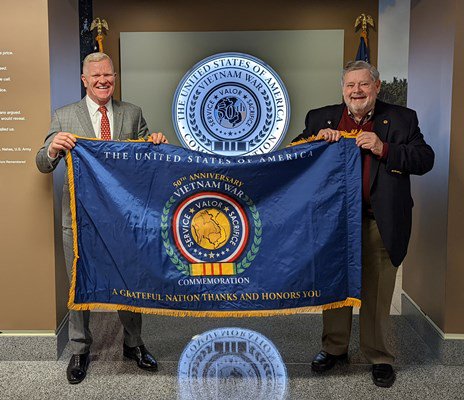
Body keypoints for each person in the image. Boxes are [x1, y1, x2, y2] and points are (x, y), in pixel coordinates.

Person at [292, 60, 434, 388]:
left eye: (363, 85)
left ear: (377, 86)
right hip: (334, 222)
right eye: (350, 85)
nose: (356, 91)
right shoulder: (320, 117)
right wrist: (315, 142)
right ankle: (334, 348)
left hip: (378, 220)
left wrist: (385, 148)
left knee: (379, 289)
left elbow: (425, 159)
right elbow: (294, 155)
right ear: (342, 89)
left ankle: (379, 355)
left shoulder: (402, 118)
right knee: (335, 286)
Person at [36, 52, 168, 384]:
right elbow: (42, 162)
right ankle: (80, 349)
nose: (102, 81)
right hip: (79, 221)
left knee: (130, 280)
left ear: (114, 77)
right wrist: (53, 148)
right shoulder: (64, 116)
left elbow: (145, 162)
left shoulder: (132, 113)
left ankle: (133, 344)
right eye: (95, 76)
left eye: (107, 75)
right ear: (84, 80)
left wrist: (154, 142)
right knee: (79, 285)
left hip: (123, 221)